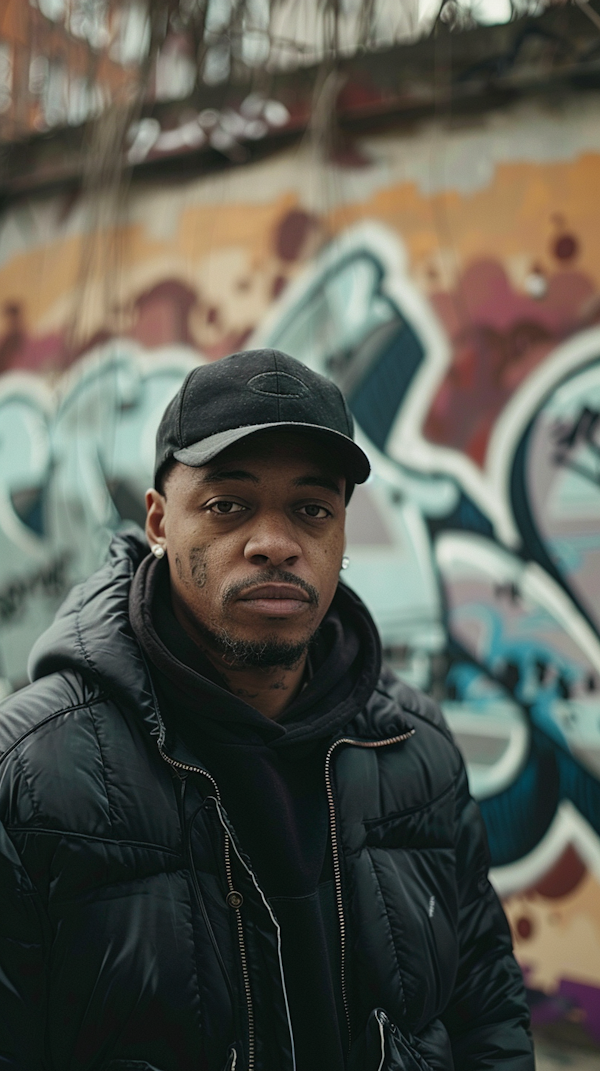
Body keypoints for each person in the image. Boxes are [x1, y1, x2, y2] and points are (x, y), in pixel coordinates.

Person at [0, 349, 533, 1071]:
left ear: (342, 531)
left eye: (312, 509)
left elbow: (487, 1013)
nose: (275, 543)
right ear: (158, 521)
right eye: (228, 505)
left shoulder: (418, 751)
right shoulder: (35, 772)